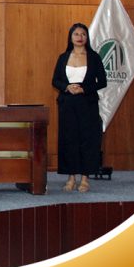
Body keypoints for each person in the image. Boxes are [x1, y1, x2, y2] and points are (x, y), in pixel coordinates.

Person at [51, 23, 107, 193]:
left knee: (87, 140)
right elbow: (55, 81)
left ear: (87, 37)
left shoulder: (94, 57)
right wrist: (67, 87)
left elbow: (102, 81)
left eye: (83, 34)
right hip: (67, 104)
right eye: (76, 34)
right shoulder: (63, 57)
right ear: (71, 37)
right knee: (69, 140)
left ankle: (84, 178)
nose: (80, 37)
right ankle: (71, 178)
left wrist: (84, 89)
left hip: (87, 103)